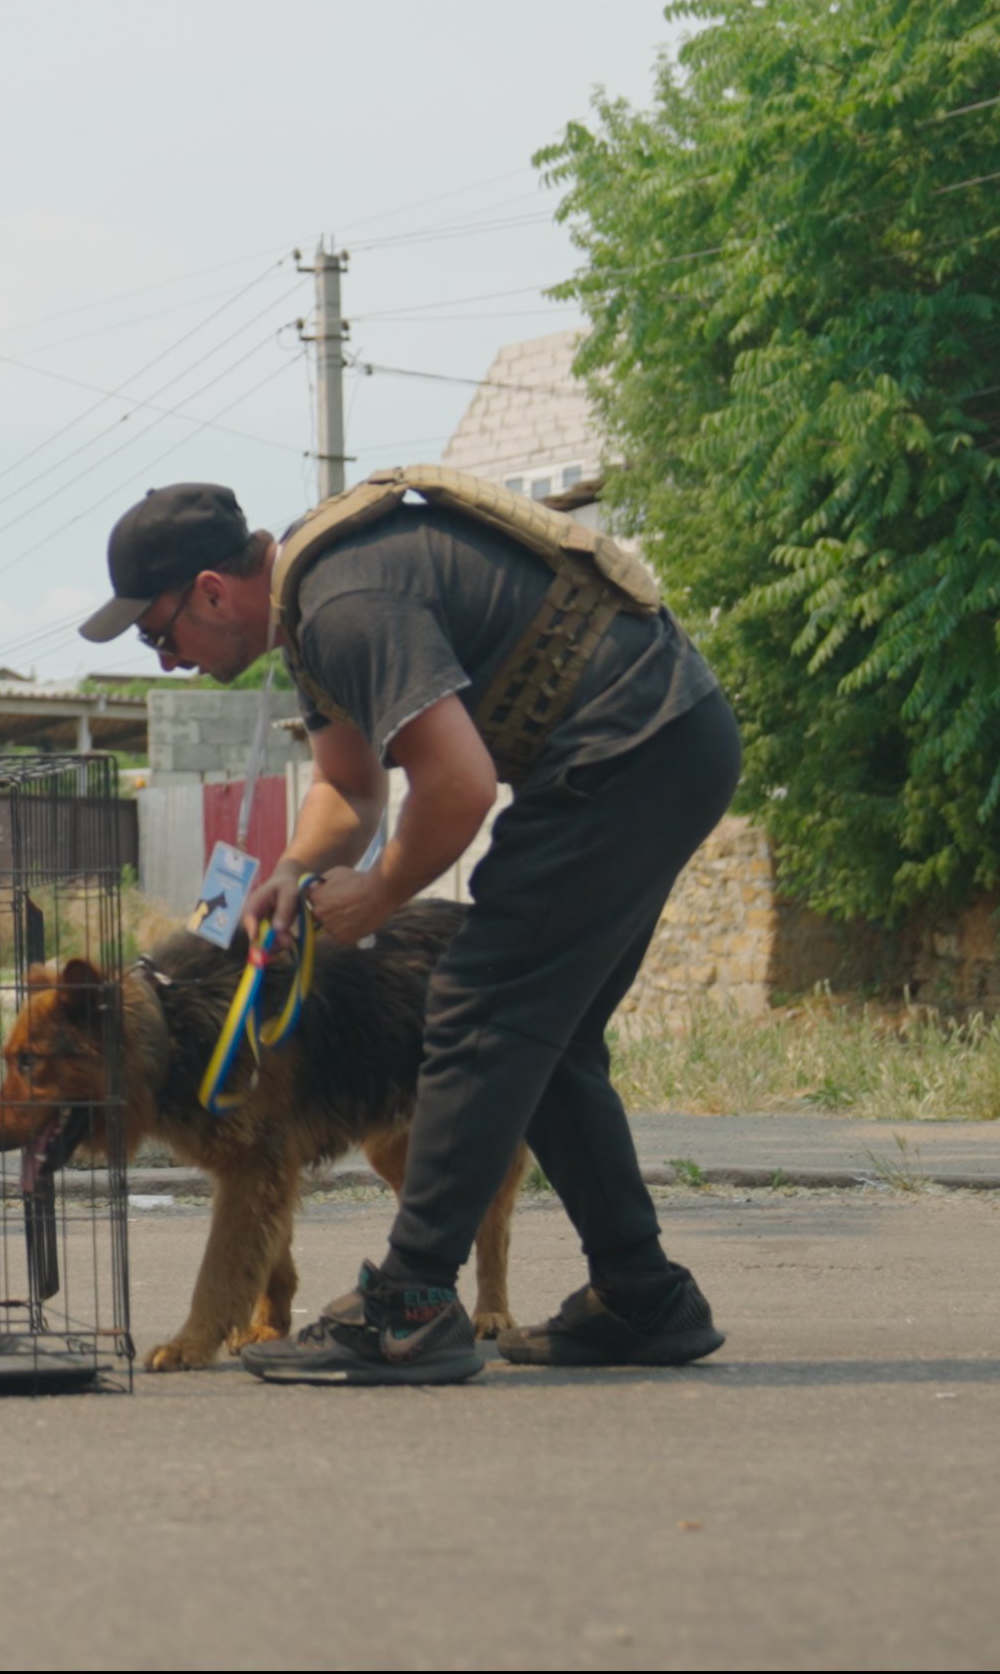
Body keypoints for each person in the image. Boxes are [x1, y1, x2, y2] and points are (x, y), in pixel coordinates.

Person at [76, 475, 738, 1386]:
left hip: (633, 749)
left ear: (212, 591)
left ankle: (410, 1304)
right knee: (550, 1040)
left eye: (159, 632)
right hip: (662, 743)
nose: (164, 660)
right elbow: (350, 787)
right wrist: (292, 874)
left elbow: (458, 786)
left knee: (480, 1006)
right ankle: (643, 1294)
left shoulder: (345, 605)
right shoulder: (314, 622)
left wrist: (382, 894)